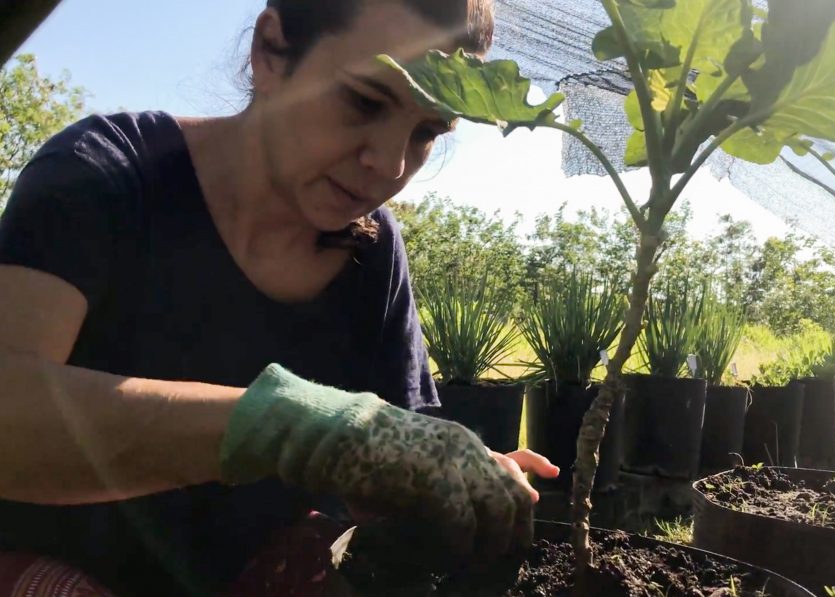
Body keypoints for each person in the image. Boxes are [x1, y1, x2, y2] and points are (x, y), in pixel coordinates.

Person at [0, 1, 559, 595]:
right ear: (270, 50)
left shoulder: (370, 252)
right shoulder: (107, 174)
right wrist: (297, 426)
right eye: (364, 101)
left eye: (425, 133)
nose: (390, 164)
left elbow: (390, 459)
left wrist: (454, 472)